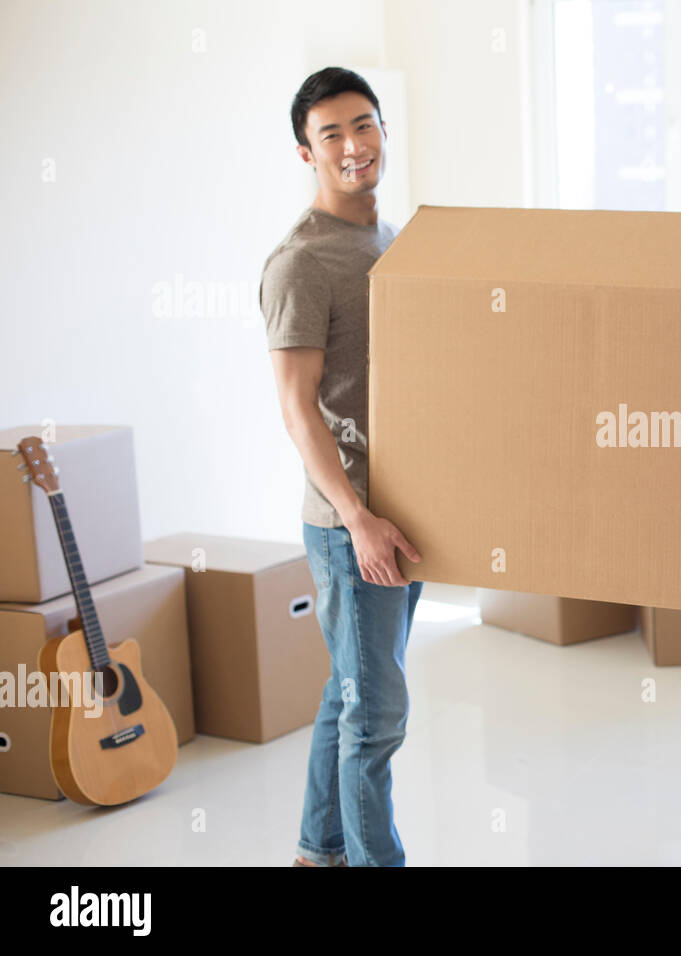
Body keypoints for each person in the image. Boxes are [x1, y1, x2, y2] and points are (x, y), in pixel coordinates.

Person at [259, 67, 423, 867]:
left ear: (385, 132)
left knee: (349, 694)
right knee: (376, 719)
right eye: (333, 135)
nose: (355, 146)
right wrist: (357, 519)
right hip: (349, 526)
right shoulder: (301, 263)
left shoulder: (387, 242)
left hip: (401, 512)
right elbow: (297, 408)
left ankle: (316, 850)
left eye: (365, 125)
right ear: (306, 153)